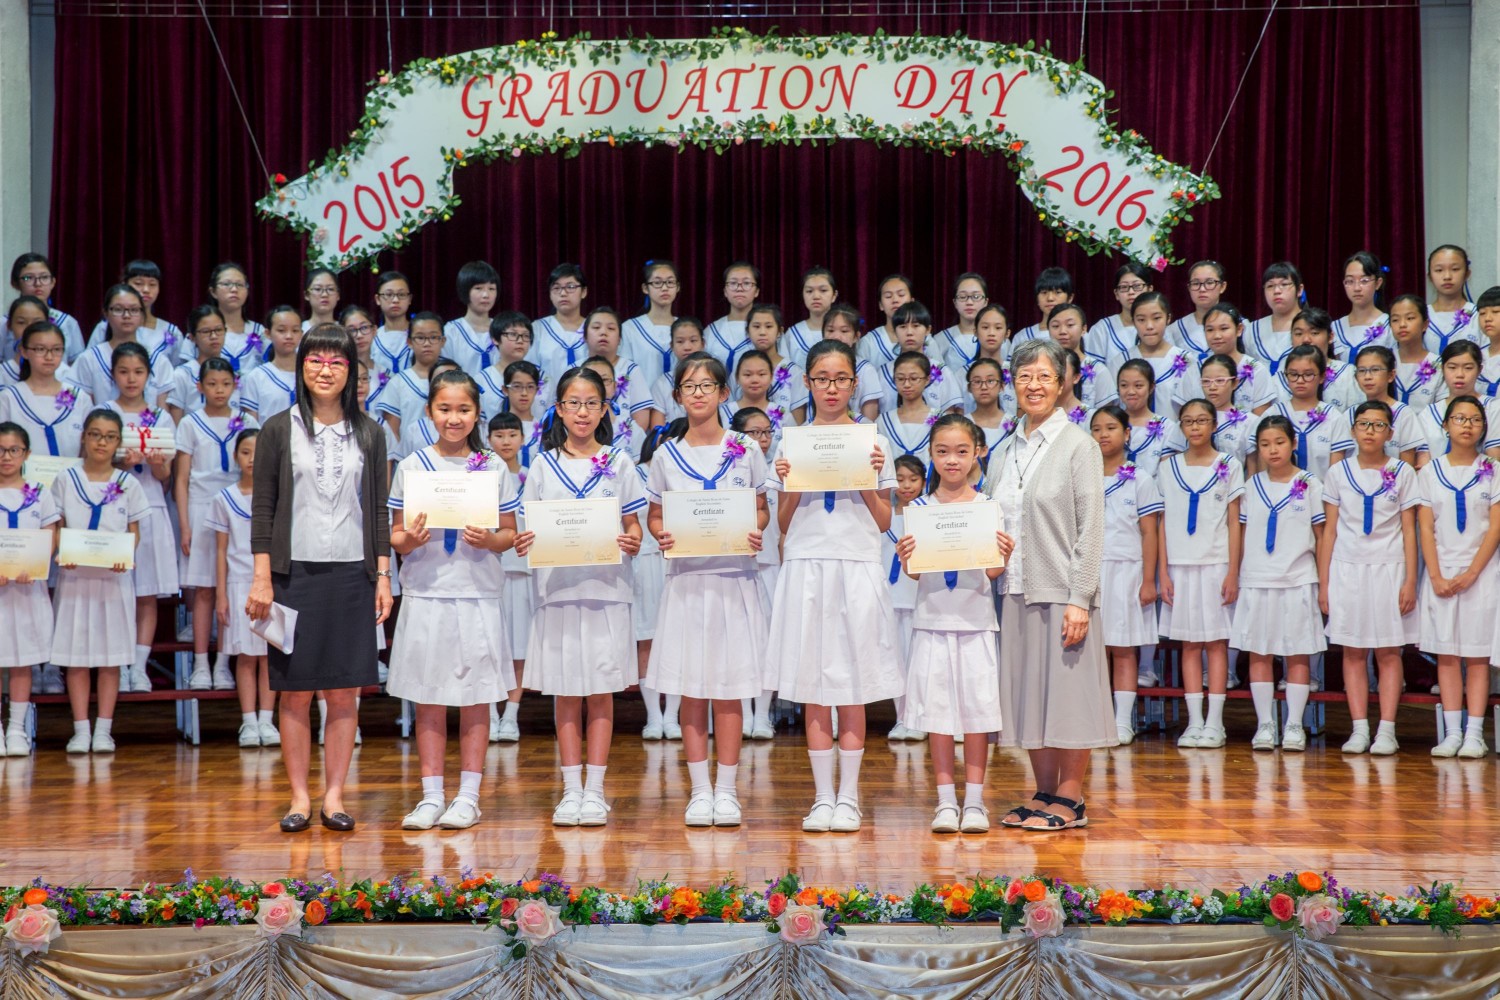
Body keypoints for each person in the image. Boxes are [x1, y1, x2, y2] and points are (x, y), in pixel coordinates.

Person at [246, 323, 393, 833]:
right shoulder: (277, 428)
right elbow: (263, 509)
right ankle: (298, 798)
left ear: (351, 370)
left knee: (344, 692)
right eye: (316, 360)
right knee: (295, 692)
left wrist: (382, 575)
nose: (325, 370)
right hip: (293, 575)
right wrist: (262, 577)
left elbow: (378, 512)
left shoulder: (370, 432)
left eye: (336, 361)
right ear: (301, 366)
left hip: (353, 574)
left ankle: (334, 796)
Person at [767, 338, 903, 833]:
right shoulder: (792, 442)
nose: (831, 388)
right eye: (822, 379)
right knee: (812, 683)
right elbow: (783, 524)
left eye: (840, 379)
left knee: (853, 682)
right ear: (807, 382)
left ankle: (849, 797)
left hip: (856, 563)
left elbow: (885, 520)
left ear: (854, 383)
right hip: (807, 564)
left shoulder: (873, 441)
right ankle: (822, 797)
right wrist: (788, 483)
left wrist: (866, 478)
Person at [984, 338, 1110, 831]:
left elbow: (1091, 529)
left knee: (1069, 699)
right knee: (1031, 697)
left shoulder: (1079, 445)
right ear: (1012, 384)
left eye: (1044, 376)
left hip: (1062, 591)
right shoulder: (1004, 450)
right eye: (1024, 376)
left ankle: (1071, 799)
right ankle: (1043, 792)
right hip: (1014, 590)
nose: (1033, 385)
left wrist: (1081, 598)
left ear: (1062, 384)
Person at [513, 365, 644, 827]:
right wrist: (525, 541)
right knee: (566, 690)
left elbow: (634, 525)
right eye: (574, 403)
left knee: (602, 689)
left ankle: (596, 790)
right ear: (559, 409)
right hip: (558, 589)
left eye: (591, 403)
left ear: (605, 409)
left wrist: (633, 540)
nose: (583, 412)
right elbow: (527, 526)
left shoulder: (619, 462)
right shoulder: (543, 464)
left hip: (607, 588)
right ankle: (571, 789)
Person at [644, 353, 770, 826]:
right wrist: (662, 534)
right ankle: (700, 791)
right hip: (688, 582)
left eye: (707, 385)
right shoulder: (666, 455)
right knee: (692, 689)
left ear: (723, 393)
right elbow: (656, 515)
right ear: (678, 395)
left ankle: (728, 791)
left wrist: (756, 528)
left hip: (734, 580)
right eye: (689, 386)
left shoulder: (746, 448)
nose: (698, 393)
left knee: (730, 689)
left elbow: (761, 508)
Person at [390, 370, 518, 830]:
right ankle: (430, 796)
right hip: (427, 592)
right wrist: (409, 539)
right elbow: (396, 536)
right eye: (444, 409)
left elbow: (509, 533)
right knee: (428, 696)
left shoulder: (491, 466)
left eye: (463, 409)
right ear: (429, 411)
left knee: (475, 696)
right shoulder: (413, 465)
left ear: (477, 413)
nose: (454, 418)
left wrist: (490, 539)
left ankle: (468, 795)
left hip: (476, 591)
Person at [895, 415, 1010, 834]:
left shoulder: (987, 507)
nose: (952, 460)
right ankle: (945, 802)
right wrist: (906, 557)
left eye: (961, 451)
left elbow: (992, 573)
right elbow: (915, 573)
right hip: (932, 621)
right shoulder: (918, 509)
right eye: (943, 452)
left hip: (976, 621)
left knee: (978, 714)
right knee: (938, 715)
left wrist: (1004, 555)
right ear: (931, 454)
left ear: (977, 452)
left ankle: (975, 802)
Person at [1318, 400, 1419, 756]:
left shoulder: (1402, 472)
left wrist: (1410, 581)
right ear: (1353, 430)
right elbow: (1330, 531)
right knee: (1353, 651)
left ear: (1390, 433)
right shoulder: (1338, 472)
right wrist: (1325, 583)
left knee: (1389, 651)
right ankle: (1359, 728)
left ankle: (1387, 730)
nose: (1370, 431)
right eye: (1364, 424)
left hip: (1389, 567)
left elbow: (1409, 530)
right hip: (1347, 568)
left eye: (1378, 425)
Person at [51, 409, 147, 754]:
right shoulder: (66, 478)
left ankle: (104, 729)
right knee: (76, 656)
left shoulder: (128, 483)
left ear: (118, 441)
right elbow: (57, 525)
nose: (101, 442)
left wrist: (125, 555)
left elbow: (134, 532)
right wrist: (61, 550)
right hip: (75, 577)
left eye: (109, 436)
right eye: (95, 434)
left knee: (110, 657)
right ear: (84, 437)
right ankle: (80, 729)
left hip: (113, 580)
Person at [1234, 416, 1325, 752]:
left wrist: (1323, 581)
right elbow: (1241, 533)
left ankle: (1294, 724)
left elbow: (1321, 535)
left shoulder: (1310, 484)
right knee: (1260, 652)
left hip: (1298, 577)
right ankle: (1265, 724)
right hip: (1258, 577)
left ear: (1293, 443)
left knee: (1297, 652)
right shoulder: (1250, 486)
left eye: (1279, 442)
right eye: (1265, 444)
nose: (1272, 450)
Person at [1416, 396, 1500, 758]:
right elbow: (1425, 527)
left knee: (1477, 655)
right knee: (1447, 654)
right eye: (1460, 418)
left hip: (1482, 572)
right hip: (1441, 572)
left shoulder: (1493, 470)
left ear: (1484, 428)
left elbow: (1495, 526)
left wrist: (1472, 573)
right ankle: (1452, 733)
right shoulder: (1429, 472)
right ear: (1446, 425)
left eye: (1475, 420)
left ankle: (1475, 734)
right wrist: (1435, 575)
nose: (1467, 425)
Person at [1159, 398, 1244, 749]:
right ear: (1180, 426)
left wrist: (1233, 572)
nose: (1195, 427)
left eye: (1202, 420)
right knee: (1189, 644)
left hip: (1216, 563)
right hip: (1180, 565)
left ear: (1214, 425)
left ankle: (1215, 722)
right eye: (1188, 421)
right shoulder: (1168, 467)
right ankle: (1194, 721)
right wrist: (1163, 572)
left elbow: (1235, 521)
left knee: (1216, 642)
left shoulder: (1229, 465)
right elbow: (1162, 521)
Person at [176, 358, 257, 691]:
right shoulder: (190, 423)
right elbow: (181, 479)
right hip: (201, 506)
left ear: (235, 384)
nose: (219, 390)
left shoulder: (247, 421)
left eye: (225, 384)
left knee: (232, 587)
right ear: (199, 386)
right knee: (205, 589)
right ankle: (200, 665)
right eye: (211, 384)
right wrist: (185, 525)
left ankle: (223, 664)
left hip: (238, 506)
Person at [104, 342, 177, 694]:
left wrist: (157, 463)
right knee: (116, 590)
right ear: (113, 374)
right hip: (110, 508)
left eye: (138, 372)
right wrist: (120, 461)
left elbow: (165, 477)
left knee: (146, 592)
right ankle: (117, 663)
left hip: (151, 506)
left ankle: (138, 665)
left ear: (149, 375)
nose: (131, 379)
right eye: (123, 371)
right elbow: (91, 461)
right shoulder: (104, 412)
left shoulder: (160, 417)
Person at [1090, 404, 1161, 746]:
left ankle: (1122, 721)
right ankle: (1095, 718)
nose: (1103, 435)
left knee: (1123, 647)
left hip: (1127, 570)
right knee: (1092, 650)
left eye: (1111, 428)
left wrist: (1148, 580)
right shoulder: (1083, 477)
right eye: (1096, 429)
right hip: (1091, 569)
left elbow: (1149, 533)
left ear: (1127, 433)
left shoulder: (1140, 479)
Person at [209, 428, 279, 748]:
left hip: (271, 584)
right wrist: (221, 595)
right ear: (235, 456)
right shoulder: (224, 499)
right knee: (247, 657)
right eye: (245, 452)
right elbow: (221, 550)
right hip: (239, 585)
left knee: (269, 657)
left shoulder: (279, 497)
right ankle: (248, 722)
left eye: (259, 453)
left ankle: (267, 720)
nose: (252, 459)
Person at [0, 422, 59, 756]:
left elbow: (50, 534)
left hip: (26, 589)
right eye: (0, 450)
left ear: (26, 454)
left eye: (14, 450)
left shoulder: (39, 492)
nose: (6, 457)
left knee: (21, 659)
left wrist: (33, 564)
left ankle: (17, 729)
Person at [730, 405, 780, 739]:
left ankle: (762, 716)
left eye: (767, 432)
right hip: (735, 565)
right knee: (738, 644)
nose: (762, 439)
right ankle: (743, 714)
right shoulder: (727, 468)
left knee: (768, 645)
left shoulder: (780, 469)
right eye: (754, 432)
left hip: (770, 564)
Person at [486, 411, 530, 743]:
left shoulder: (533, 475)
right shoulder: (481, 476)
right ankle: (488, 713)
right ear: (488, 439)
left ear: (522, 439)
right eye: (499, 435)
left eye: (512, 435)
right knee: (489, 646)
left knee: (519, 647)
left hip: (525, 571)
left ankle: (511, 716)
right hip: (489, 570)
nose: (506, 441)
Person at [633, 425, 675, 741]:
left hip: (679, 560)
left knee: (676, 638)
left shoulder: (687, 474)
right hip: (644, 560)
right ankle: (652, 715)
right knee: (646, 638)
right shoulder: (635, 472)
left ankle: (672, 716)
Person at [0, 320, 92, 459]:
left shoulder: (78, 397)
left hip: (71, 472)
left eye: (56, 349)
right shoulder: (9, 397)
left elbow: (88, 446)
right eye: (40, 349)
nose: (49, 357)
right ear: (24, 351)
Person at [883, 454, 926, 741]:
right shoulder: (882, 514)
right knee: (895, 661)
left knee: (917, 662)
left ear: (923, 481)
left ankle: (919, 720)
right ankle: (901, 718)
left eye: (913, 479)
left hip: (916, 596)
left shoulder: (927, 513)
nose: (906, 486)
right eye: (899, 479)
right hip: (889, 596)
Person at [73, 285, 172, 408]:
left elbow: (162, 411)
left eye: (134, 310)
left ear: (142, 314)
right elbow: (81, 407)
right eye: (118, 309)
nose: (126, 315)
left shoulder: (158, 360)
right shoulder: (89, 359)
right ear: (106, 313)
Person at [1266, 345, 1352, 481]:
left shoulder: (1333, 418)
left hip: (1322, 492)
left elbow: (1336, 474)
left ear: (1322, 376)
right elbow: (1263, 467)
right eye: (1293, 374)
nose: (1300, 380)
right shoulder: (1273, 415)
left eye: (1308, 375)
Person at [376, 313, 447, 439]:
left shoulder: (455, 378)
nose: (427, 343)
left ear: (443, 341)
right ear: (409, 342)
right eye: (420, 338)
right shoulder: (398, 383)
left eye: (433, 337)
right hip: (409, 451)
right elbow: (392, 432)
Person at [167, 306, 241, 423]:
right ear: (192, 337)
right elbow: (176, 422)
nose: (214, 336)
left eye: (218, 330)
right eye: (206, 331)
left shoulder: (233, 373)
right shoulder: (182, 375)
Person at [8, 252, 84, 362]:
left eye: (44, 277)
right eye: (28, 278)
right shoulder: (5, 324)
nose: (38, 283)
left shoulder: (67, 323)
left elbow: (76, 364)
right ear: (15, 284)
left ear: (53, 282)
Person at [239, 306, 303, 421]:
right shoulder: (256, 377)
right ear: (268, 333)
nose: (289, 336)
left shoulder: (310, 373)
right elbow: (251, 424)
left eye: (295, 330)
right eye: (281, 330)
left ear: (301, 334)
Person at [1089, 263, 1152, 370]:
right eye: (1124, 287)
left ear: (1150, 289)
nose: (1131, 292)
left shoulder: (1157, 327)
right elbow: (1093, 372)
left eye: (1137, 286)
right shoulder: (1102, 329)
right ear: (1116, 294)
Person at [624, 260, 680, 379]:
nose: (664, 288)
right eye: (657, 283)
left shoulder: (685, 328)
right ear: (645, 288)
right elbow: (624, 373)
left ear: (677, 287)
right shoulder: (630, 329)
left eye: (670, 282)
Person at [1244, 262, 1304, 374]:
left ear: (1299, 290)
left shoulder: (1312, 327)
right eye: (1270, 286)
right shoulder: (1252, 330)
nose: (1276, 291)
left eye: (1284, 284)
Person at [529, 264, 589, 373]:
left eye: (570, 287)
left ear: (584, 292)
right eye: (556, 288)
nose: (563, 293)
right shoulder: (537, 328)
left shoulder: (593, 328)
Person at [444, 260, 500, 374]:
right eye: (478, 288)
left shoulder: (503, 329)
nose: (486, 295)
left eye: (491, 289)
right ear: (465, 291)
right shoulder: (450, 332)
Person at [208, 263, 265, 374]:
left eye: (240, 284)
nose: (234, 289)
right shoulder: (201, 330)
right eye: (226, 284)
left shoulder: (260, 332)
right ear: (213, 292)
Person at [1333, 252, 1392, 358]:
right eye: (1350, 281)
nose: (1357, 288)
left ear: (1378, 283)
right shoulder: (1336, 327)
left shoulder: (1389, 325)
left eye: (1364, 281)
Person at [1386, 296, 1441, 408]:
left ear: (1425, 325)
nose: (1402, 324)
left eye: (1410, 318)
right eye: (1395, 320)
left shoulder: (1438, 364)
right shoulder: (1384, 361)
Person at [648, 318, 706, 425]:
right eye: (680, 341)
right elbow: (657, 429)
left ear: (703, 343)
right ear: (672, 346)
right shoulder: (662, 384)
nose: (687, 347)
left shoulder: (714, 378)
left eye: (693, 340)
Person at [705, 262, 760, 371]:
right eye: (733, 283)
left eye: (746, 283)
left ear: (756, 291)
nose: (739, 289)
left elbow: (782, 366)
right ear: (725, 291)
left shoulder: (768, 328)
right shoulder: (711, 331)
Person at [1425, 245, 1478, 354]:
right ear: (1430, 276)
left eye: (1455, 269)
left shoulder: (1478, 315)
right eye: (1439, 270)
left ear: (1467, 274)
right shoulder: (1421, 316)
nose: (1447, 276)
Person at [782, 267, 838, 368]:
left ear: (834, 295)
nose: (816, 296)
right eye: (809, 291)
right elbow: (783, 369)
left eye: (823, 290)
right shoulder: (793, 334)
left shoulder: (843, 331)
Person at [857, 273, 916, 367]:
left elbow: (937, 372)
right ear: (881, 305)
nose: (895, 300)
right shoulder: (869, 342)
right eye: (888, 296)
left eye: (901, 295)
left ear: (912, 302)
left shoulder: (924, 338)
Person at [1170, 261, 1227, 358]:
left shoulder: (1239, 325)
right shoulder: (1175, 329)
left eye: (1209, 283)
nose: (1202, 289)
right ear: (1189, 288)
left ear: (1222, 286)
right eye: (1196, 283)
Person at [935, 273, 989, 368]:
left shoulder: (998, 337)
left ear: (986, 302)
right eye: (963, 297)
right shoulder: (941, 339)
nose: (969, 302)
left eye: (976, 297)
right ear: (955, 302)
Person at [371, 271, 414, 373]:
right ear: (378, 299)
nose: (395, 300)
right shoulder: (372, 338)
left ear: (409, 299)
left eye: (401, 294)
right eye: (389, 294)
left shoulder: (419, 335)